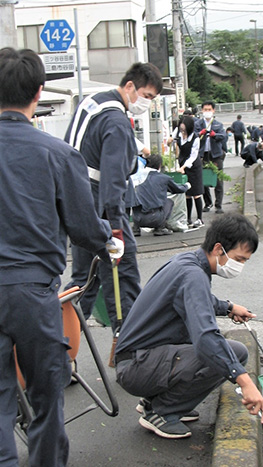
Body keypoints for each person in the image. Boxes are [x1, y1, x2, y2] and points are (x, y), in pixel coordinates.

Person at [0, 47, 123, 467]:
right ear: (38, 92)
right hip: (33, 294)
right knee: (46, 394)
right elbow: (86, 230)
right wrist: (109, 237)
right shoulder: (57, 154)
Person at [115, 214, 263, 439]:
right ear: (218, 248)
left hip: (138, 358)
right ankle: (162, 411)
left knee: (221, 350)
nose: (240, 266)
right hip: (137, 366)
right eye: (239, 258)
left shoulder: (187, 262)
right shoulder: (193, 275)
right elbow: (206, 338)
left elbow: (198, 300)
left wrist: (228, 307)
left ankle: (160, 400)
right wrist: (245, 381)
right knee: (230, 353)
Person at [64, 62, 163, 333]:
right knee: (123, 266)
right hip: (98, 204)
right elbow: (113, 182)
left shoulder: (92, 102)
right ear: (130, 86)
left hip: (75, 199)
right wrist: (117, 229)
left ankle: (57, 346)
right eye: (147, 95)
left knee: (83, 279)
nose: (148, 103)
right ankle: (130, 343)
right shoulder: (117, 121)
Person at [129, 154, 191, 236]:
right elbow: (178, 189)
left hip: (137, 218)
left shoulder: (137, 176)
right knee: (169, 202)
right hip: (154, 218)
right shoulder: (163, 178)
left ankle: (136, 229)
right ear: (159, 166)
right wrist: (187, 185)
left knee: (140, 200)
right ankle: (160, 228)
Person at [195, 101, 226, 214]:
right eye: (205, 109)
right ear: (202, 110)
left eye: (209, 109)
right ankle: (207, 203)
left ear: (213, 110)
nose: (207, 112)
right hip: (202, 155)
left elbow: (223, 136)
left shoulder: (218, 124)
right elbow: (192, 135)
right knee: (203, 179)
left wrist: (215, 135)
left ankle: (219, 205)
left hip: (215, 154)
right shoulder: (198, 124)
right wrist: (200, 134)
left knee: (218, 179)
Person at [176, 116, 204, 228]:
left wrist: (184, 166)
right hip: (182, 164)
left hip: (193, 167)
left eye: (184, 129)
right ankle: (188, 219)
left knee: (196, 193)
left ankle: (200, 219)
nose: (182, 131)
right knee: (187, 194)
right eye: (181, 129)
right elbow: (173, 139)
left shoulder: (195, 138)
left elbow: (193, 156)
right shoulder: (179, 134)